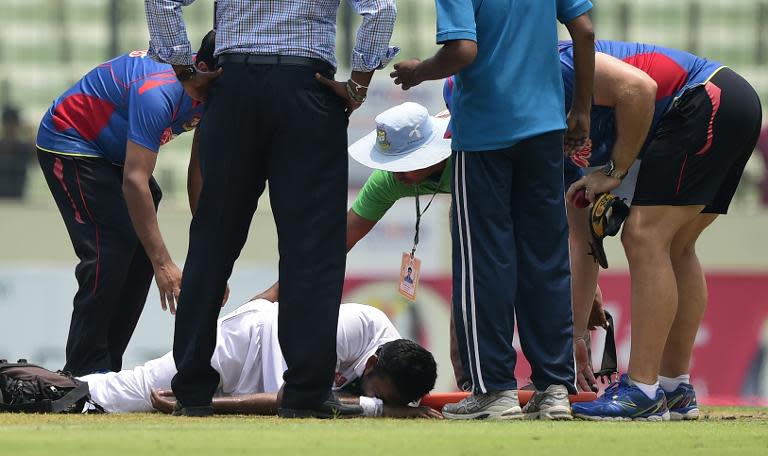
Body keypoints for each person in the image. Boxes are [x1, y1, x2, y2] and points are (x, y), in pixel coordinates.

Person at [145, 0, 398, 418]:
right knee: (312, 251)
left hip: (234, 83)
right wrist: (358, 83)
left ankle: (190, 390)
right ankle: (306, 392)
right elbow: (382, 8)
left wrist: (185, 71)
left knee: (212, 241)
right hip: (306, 87)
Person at [389, 0, 596, 420]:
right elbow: (586, 33)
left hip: (485, 136)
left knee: (484, 262)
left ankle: (494, 390)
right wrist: (582, 109)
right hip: (545, 130)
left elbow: (462, 51)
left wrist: (418, 72)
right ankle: (554, 389)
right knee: (546, 260)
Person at [558, 41, 763, 421]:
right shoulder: (547, 137)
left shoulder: (552, 68)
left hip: (706, 97)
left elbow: (640, 89)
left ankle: (641, 391)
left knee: (644, 235)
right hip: (732, 99)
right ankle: (673, 387)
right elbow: (581, 240)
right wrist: (576, 335)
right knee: (677, 245)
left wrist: (616, 172)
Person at [34, 32, 217, 377]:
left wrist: (210, 257)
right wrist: (164, 263)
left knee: (139, 245)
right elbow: (135, 180)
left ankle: (106, 371)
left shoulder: (218, 85)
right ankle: (83, 373)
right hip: (70, 140)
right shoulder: (159, 92)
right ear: (202, 67)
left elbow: (199, 173)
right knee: (111, 245)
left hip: (113, 154)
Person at [79, 299, 440, 418]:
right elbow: (293, 402)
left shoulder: (404, 370)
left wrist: (392, 406)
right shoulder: (347, 329)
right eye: (379, 395)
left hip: (269, 359)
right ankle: (40, 388)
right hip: (243, 343)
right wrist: (198, 403)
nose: (378, 401)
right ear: (372, 365)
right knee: (133, 392)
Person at [0, 106, 33, 199]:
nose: (10, 128)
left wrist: (29, 131)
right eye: (8, 124)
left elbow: (38, 155)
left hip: (18, 201)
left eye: (13, 124)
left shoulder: (24, 148)